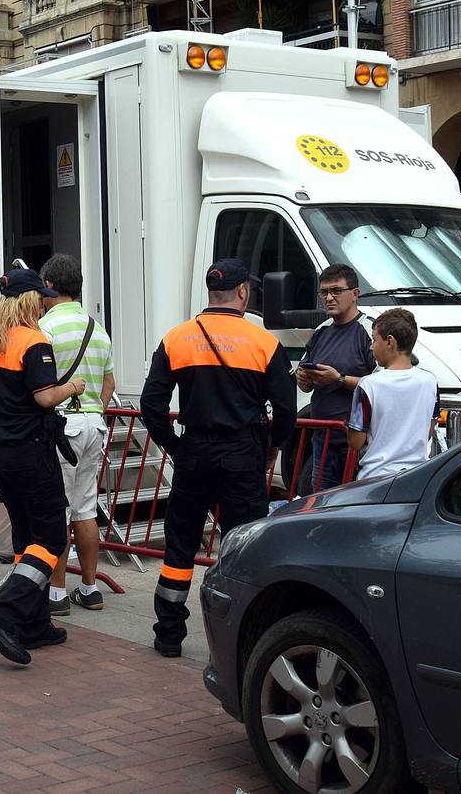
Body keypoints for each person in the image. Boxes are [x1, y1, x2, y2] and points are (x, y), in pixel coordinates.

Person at [140, 258, 295, 658]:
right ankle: (239, 639)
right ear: (243, 292)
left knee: (179, 550)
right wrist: (272, 447)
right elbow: (286, 410)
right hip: (242, 454)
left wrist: (174, 446)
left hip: (193, 451)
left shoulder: (178, 338)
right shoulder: (264, 343)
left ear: (211, 292)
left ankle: (169, 635)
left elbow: (151, 404)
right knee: (243, 548)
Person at [0, 269, 87, 665]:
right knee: (51, 539)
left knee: (26, 538)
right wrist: (72, 388)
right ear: (31, 300)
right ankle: (5, 616)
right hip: (30, 452)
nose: (45, 302)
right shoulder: (33, 341)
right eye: (41, 297)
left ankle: (34, 625)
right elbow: (44, 397)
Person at [37, 254, 116, 616]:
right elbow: (109, 383)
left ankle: (56, 593)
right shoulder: (97, 328)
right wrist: (93, 410)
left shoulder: (45, 328)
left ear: (49, 285)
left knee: (56, 509)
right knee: (84, 509)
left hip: (61, 425)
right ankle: (90, 587)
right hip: (93, 425)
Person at [295, 264, 374, 492]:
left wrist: (339, 379)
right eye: (324, 292)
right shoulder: (321, 330)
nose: (329, 298)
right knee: (321, 504)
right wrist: (304, 378)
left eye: (336, 291)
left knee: (356, 504)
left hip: (361, 442)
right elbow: (304, 384)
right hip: (323, 440)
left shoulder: (368, 330)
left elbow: (385, 385)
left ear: (355, 294)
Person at [347, 309, 439, 480]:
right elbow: (429, 430)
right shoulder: (430, 381)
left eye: (374, 339)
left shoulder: (368, 384)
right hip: (417, 476)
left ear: (389, 341)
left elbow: (356, 441)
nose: (371, 346)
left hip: (375, 477)